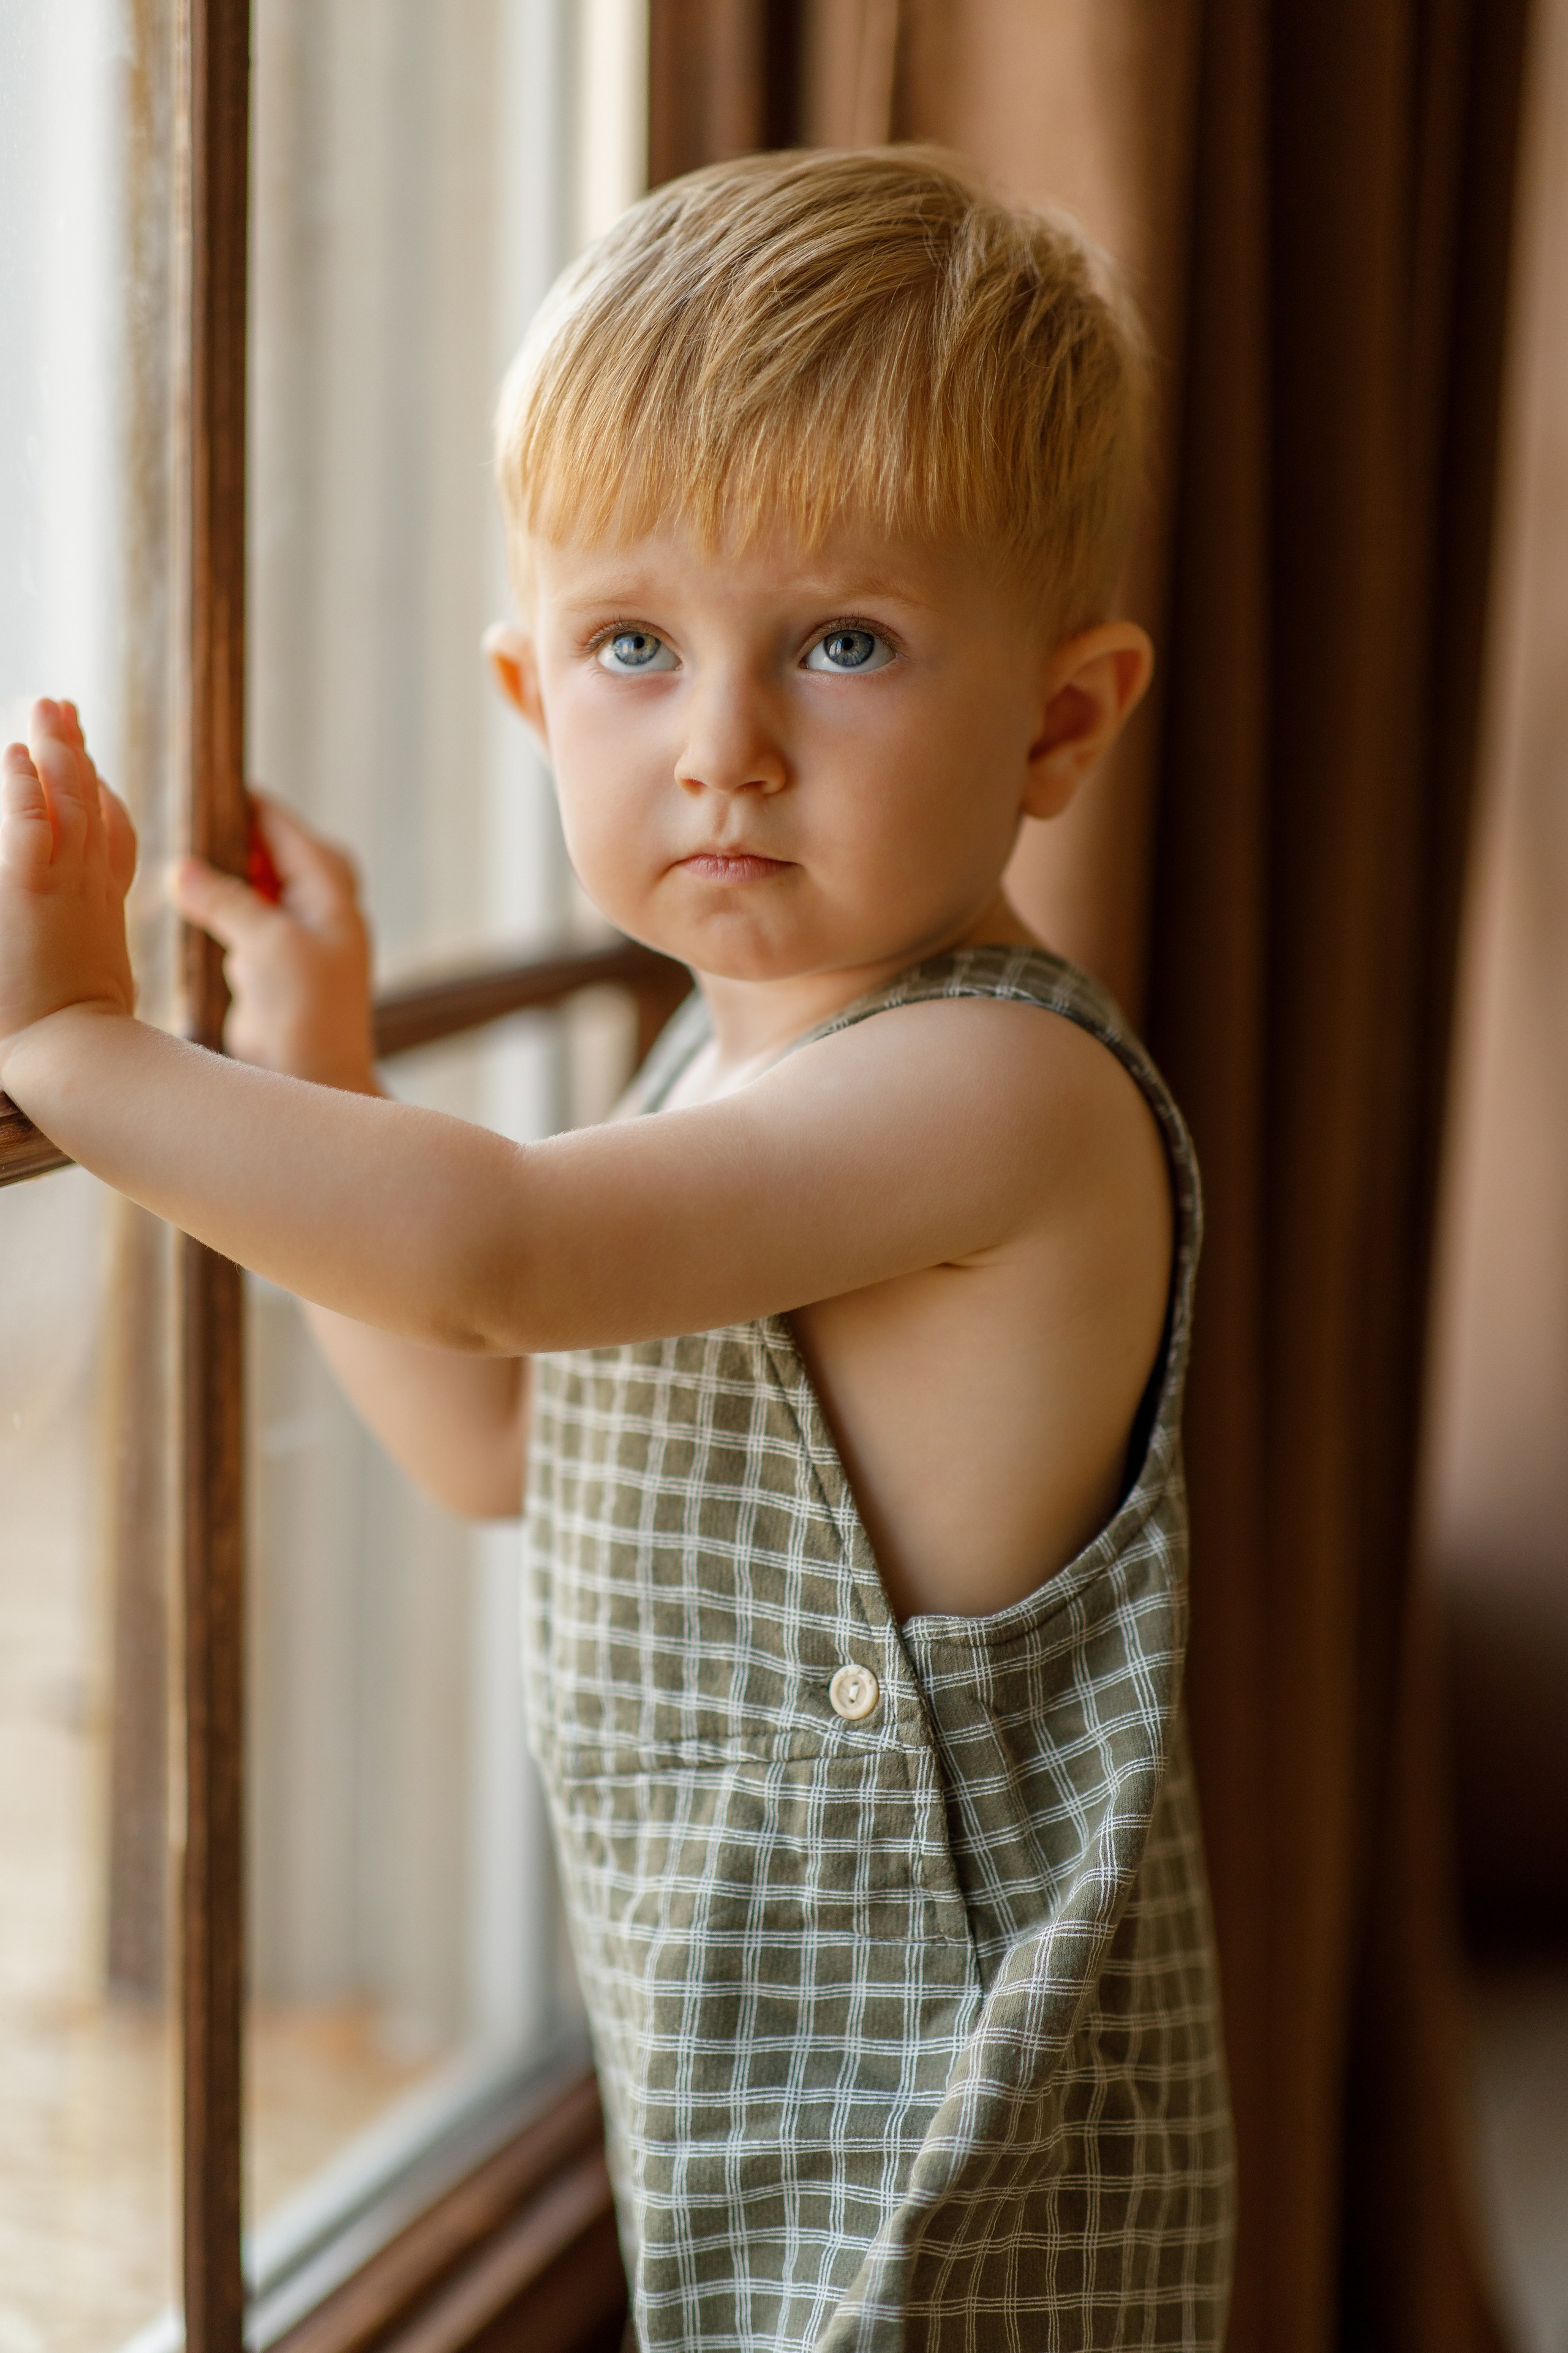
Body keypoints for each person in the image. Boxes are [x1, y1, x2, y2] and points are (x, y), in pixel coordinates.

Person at [0, 147, 1234, 2349]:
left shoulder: (995, 1097)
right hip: (758, 2116)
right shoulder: (726, 1066)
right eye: (635, 646)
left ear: (1061, 717)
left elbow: (502, 1257)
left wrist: (79, 1051)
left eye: (844, 643)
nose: (723, 748)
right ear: (529, 686)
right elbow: (494, 1433)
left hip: (952, 2179)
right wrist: (333, 1074)